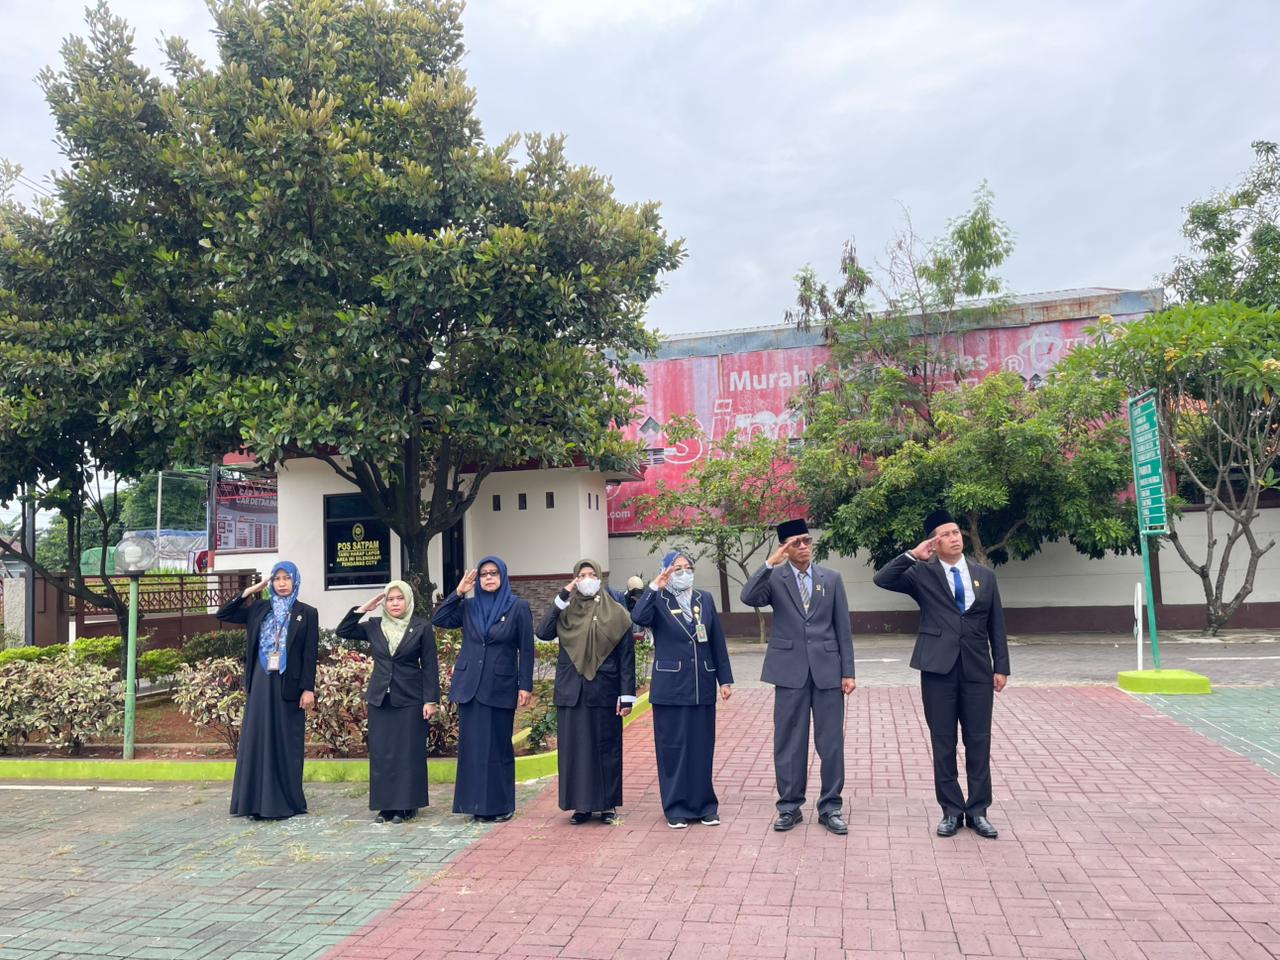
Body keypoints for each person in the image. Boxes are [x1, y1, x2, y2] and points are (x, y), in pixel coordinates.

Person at [873, 509, 1010, 839]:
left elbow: (996, 624)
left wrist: (1001, 666)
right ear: (934, 542)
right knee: (943, 742)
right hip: (938, 669)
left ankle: (978, 811)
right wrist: (913, 555)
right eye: (946, 534)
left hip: (977, 669)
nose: (954, 537)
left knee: (978, 740)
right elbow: (882, 579)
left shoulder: (984, 575)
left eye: (956, 532)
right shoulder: (923, 574)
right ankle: (951, 810)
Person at [741, 519, 855, 836]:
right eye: (796, 542)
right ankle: (789, 806)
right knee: (789, 742)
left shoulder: (831, 578)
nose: (804, 546)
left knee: (831, 743)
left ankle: (830, 807)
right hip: (789, 671)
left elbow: (843, 627)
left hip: (828, 671)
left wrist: (848, 671)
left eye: (807, 540)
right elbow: (748, 597)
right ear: (785, 548)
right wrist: (770, 563)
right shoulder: (775, 579)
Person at [631, 551, 734, 829]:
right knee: (673, 749)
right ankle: (675, 807)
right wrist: (655, 586)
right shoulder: (658, 599)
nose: (684, 573)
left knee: (701, 748)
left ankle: (705, 806)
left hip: (702, 685)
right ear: (665, 571)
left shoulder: (704, 599)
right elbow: (638, 616)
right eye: (677, 568)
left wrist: (724, 680)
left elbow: (717, 640)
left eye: (688, 567)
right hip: (671, 688)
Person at [431, 555, 534, 822]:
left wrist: (525, 685)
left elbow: (527, 648)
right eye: (484, 574)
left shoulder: (517, 607)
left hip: (500, 686)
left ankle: (501, 805)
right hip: (470, 686)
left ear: (503, 576)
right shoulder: (469, 606)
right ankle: (474, 804)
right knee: (472, 748)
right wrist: (458, 592)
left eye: (493, 573)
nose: (488, 578)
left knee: (498, 747)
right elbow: (439, 619)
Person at [535, 559, 636, 824]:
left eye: (592, 574)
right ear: (575, 579)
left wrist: (627, 695)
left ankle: (607, 805)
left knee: (606, 748)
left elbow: (626, 657)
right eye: (581, 575)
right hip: (572, 692)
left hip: (605, 690)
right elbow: (543, 632)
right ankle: (580, 806)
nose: (587, 579)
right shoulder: (566, 611)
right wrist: (563, 595)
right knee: (575, 751)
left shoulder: (616, 612)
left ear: (600, 577)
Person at [215, 561, 318, 820]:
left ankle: (285, 802)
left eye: (287, 578)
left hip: (288, 684)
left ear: (295, 581)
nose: (282, 583)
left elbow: (310, 654)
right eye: (277, 578)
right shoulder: (259, 609)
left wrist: (308, 689)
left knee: (285, 740)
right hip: (261, 680)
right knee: (258, 738)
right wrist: (250, 591)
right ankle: (254, 803)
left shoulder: (306, 612)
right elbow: (224, 613)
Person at [336, 580, 440, 824]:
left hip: (410, 697)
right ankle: (385, 806)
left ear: (408, 600)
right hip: (381, 698)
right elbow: (343, 631)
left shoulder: (421, 626)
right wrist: (364, 608)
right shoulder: (374, 625)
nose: (394, 603)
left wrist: (430, 700)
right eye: (390, 599)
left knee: (408, 752)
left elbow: (430, 666)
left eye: (399, 598)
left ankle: (407, 806)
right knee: (382, 753)